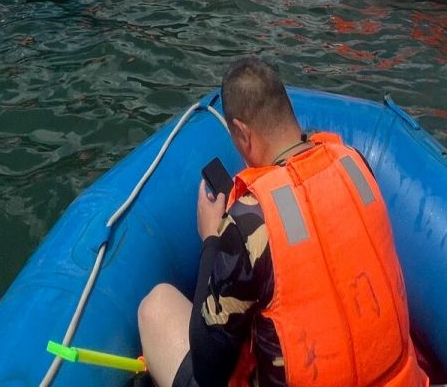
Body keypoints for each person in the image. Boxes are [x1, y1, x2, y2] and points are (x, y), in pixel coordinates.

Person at [137, 56, 426, 387]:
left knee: (156, 306)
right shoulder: (355, 165)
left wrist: (211, 241)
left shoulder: (248, 221)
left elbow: (208, 368)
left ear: (243, 135)